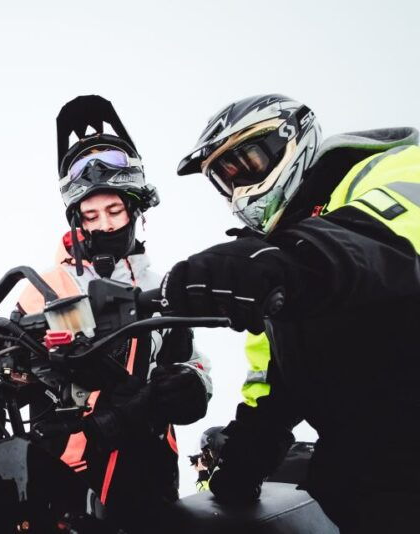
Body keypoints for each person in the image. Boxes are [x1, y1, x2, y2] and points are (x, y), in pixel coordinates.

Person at [165, 93, 420, 531]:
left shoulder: (386, 170)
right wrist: (250, 448)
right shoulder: (280, 269)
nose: (238, 184)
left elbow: (382, 235)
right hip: (362, 474)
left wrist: (284, 258)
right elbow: (277, 379)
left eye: (246, 162)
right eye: (225, 178)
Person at [19, 95, 212, 532]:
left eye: (113, 210)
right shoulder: (46, 286)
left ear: (135, 209)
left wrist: (194, 383)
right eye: (90, 215)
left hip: (149, 467)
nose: (104, 224)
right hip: (67, 467)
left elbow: (191, 360)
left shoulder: (163, 287)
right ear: (76, 220)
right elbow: (16, 364)